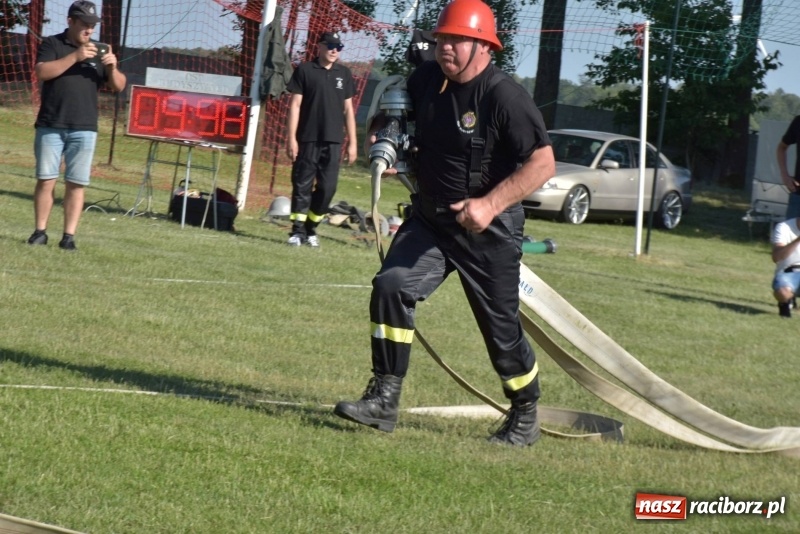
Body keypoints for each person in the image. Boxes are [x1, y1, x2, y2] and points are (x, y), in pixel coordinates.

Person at [333, 0, 556, 446]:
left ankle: (525, 412)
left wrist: (490, 204)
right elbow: (399, 119)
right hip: (430, 220)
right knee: (391, 286)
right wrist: (391, 140)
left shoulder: (504, 97)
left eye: (455, 40)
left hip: (487, 230)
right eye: (440, 40)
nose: (445, 48)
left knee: (500, 331)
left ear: (483, 47)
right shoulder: (427, 78)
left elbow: (543, 163)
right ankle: (384, 398)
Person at [28, 0, 126, 251]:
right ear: (70, 22)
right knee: (46, 179)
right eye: (84, 24)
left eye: (92, 26)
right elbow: (42, 72)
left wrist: (113, 68)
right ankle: (40, 232)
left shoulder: (101, 50)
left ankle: (68, 237)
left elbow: (119, 86)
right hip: (51, 123)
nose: (89, 30)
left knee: (76, 183)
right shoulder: (53, 43)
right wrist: (75, 57)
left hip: (84, 128)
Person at [284, 31, 358, 247]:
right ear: (320, 46)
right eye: (331, 46)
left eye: (339, 47)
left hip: (333, 140)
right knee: (302, 185)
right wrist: (291, 139)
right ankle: (297, 232)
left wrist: (352, 143)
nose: (335, 50)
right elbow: (295, 106)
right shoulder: (305, 70)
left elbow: (348, 111)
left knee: (328, 188)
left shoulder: (344, 73)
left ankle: (311, 228)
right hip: (307, 139)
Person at [771, 216, 800, 318]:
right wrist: (797, 241)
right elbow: (777, 257)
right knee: (782, 292)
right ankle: (785, 303)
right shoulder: (784, 227)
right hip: (789, 272)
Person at [777, 115, 800, 219]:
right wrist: (784, 175)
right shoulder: (798, 122)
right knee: (791, 235)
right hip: (798, 197)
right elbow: (781, 148)